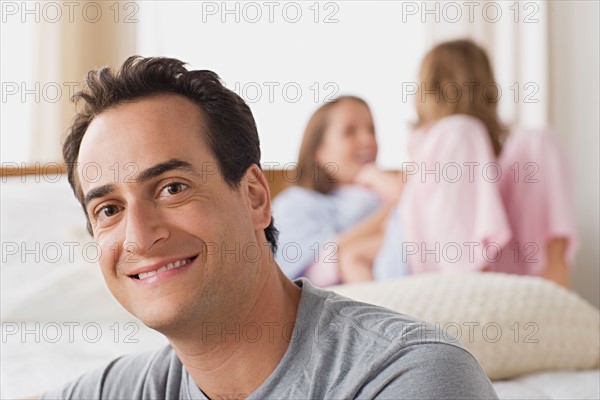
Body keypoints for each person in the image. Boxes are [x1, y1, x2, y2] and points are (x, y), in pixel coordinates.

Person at [35, 56, 498, 399]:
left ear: (256, 197)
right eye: (109, 210)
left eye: (172, 188)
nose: (138, 236)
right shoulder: (115, 390)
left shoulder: (410, 376)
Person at [375, 39, 577, 287]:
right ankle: (469, 286)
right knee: (459, 131)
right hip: (429, 266)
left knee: (538, 140)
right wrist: (368, 175)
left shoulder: (486, 146)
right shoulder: (446, 137)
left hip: (505, 269)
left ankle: (553, 286)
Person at [273, 96, 404, 285]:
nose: (368, 140)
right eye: (349, 132)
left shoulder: (387, 188)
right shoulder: (295, 204)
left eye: (371, 130)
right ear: (319, 151)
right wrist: (396, 206)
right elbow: (318, 271)